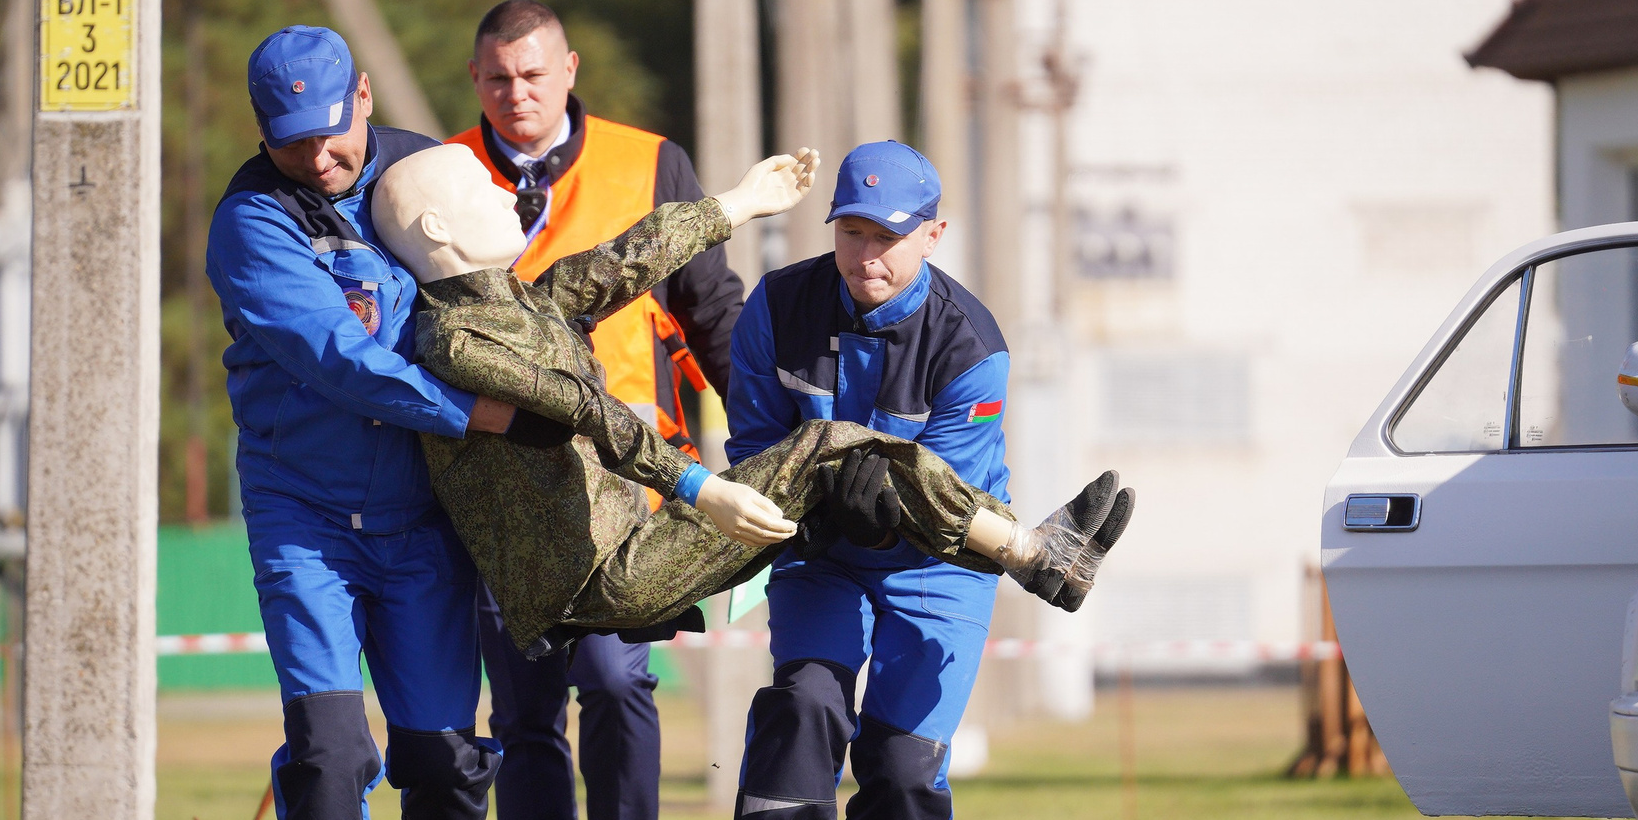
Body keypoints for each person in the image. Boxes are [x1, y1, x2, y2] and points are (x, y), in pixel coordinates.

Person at [367, 140, 1130, 657]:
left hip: (623, 544)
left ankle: (1036, 555)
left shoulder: (525, 302)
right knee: (826, 444)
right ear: (437, 226)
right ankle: (1032, 553)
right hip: (601, 573)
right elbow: (586, 413)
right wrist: (703, 490)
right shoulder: (457, 343)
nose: (503, 189)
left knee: (832, 461)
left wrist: (739, 202)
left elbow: (623, 260)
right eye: (477, 188)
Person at [204, 24, 517, 820]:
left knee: (441, 763)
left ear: (366, 98)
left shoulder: (431, 177)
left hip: (422, 528)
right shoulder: (251, 221)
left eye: (332, 134)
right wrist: (472, 414)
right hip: (306, 521)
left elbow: (496, 291)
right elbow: (331, 353)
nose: (320, 158)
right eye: (292, 141)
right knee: (328, 747)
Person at [693, 141, 1042, 820]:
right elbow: (757, 448)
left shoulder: (975, 347)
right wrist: (818, 498)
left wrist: (882, 503)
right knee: (803, 705)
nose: (867, 255)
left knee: (900, 767)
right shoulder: (778, 305)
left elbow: (948, 501)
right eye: (851, 231)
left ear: (934, 234)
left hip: (939, 565)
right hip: (819, 550)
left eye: (889, 235)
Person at [445, 0, 743, 820]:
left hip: (632, 489)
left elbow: (709, 306)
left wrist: (756, 423)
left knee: (616, 686)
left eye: (532, 75)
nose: (516, 96)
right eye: (496, 79)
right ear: (475, 81)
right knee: (523, 716)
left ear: (568, 68)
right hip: (498, 498)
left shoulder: (649, 160)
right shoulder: (439, 177)